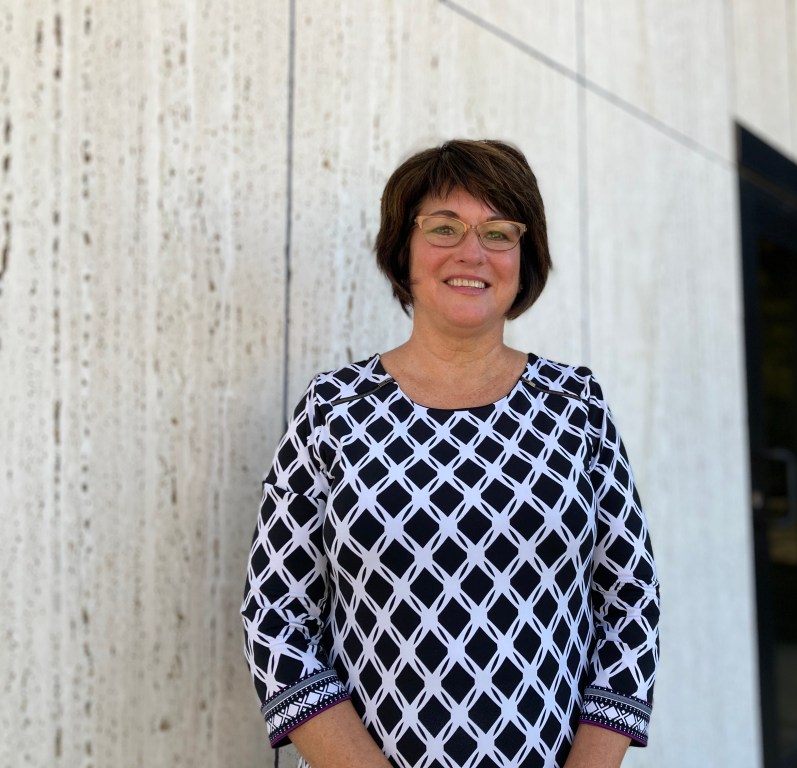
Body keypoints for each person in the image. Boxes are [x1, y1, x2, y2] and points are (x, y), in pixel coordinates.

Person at [241, 139, 660, 768]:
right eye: (444, 227)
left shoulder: (575, 405)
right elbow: (275, 612)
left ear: (525, 255)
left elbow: (629, 603)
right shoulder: (333, 410)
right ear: (402, 250)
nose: (472, 252)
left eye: (498, 231)